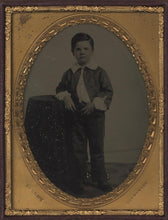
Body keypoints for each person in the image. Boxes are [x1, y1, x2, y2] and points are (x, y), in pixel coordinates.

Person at [56, 33, 113, 195]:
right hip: (76, 116)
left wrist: (94, 104)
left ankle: (100, 180)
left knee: (97, 149)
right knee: (77, 150)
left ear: (92, 51)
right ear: (72, 52)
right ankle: (78, 181)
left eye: (86, 49)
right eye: (78, 49)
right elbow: (60, 89)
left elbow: (108, 91)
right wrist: (66, 97)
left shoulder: (99, 72)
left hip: (95, 116)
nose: (82, 52)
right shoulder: (69, 73)